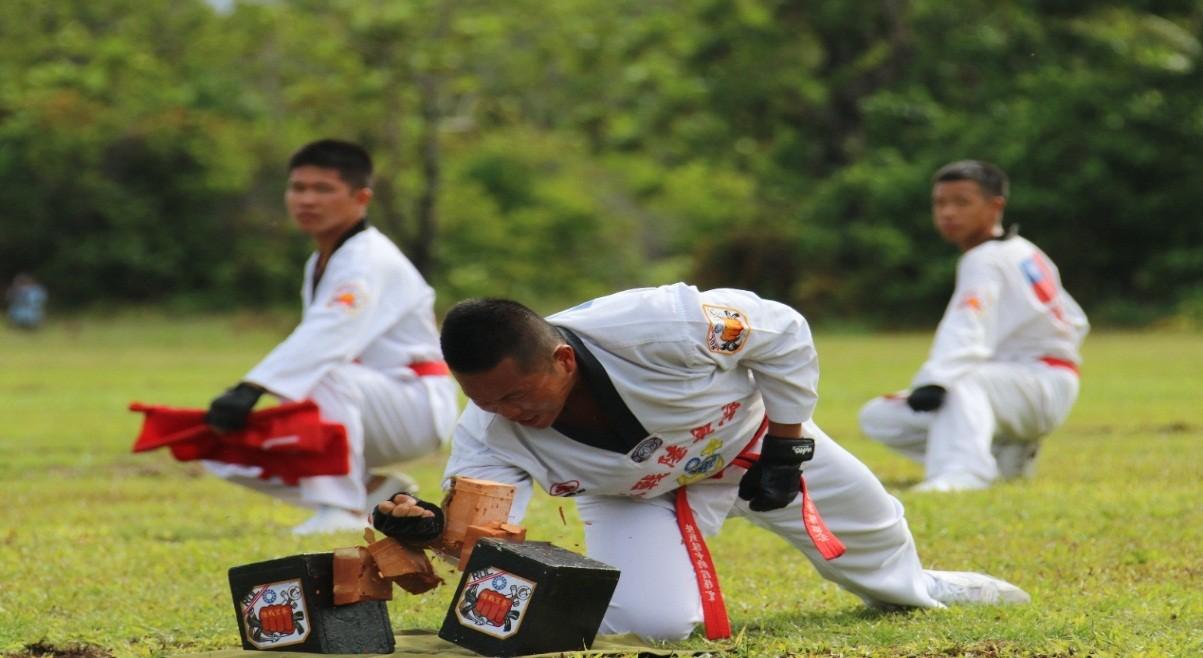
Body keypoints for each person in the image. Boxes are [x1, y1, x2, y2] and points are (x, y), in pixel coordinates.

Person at [372, 284, 1029, 642]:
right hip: (634, 496)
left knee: (877, 533)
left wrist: (787, 441)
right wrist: (430, 532)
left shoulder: (661, 324)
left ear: (562, 360)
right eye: (484, 400)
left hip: (746, 445)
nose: (505, 412)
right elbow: (482, 540)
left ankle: (925, 585)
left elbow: (785, 332)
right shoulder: (486, 427)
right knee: (656, 627)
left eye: (516, 395)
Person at [203, 139, 459, 535]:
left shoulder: (367, 258)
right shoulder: (323, 259)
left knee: (321, 373)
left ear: (361, 197)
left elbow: (329, 336)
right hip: (362, 403)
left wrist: (252, 387)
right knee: (220, 445)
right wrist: (248, 395)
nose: (306, 199)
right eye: (298, 188)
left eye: (323, 189)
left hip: (414, 404)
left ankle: (340, 508)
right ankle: (372, 491)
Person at [858, 160, 1089, 493]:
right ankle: (1006, 456)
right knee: (881, 415)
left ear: (995, 206)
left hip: (1035, 380)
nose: (948, 213)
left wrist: (936, 379)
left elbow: (967, 328)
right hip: (1034, 384)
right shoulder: (1024, 250)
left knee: (959, 380)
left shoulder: (983, 259)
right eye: (940, 203)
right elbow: (1076, 318)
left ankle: (963, 474)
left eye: (962, 202)